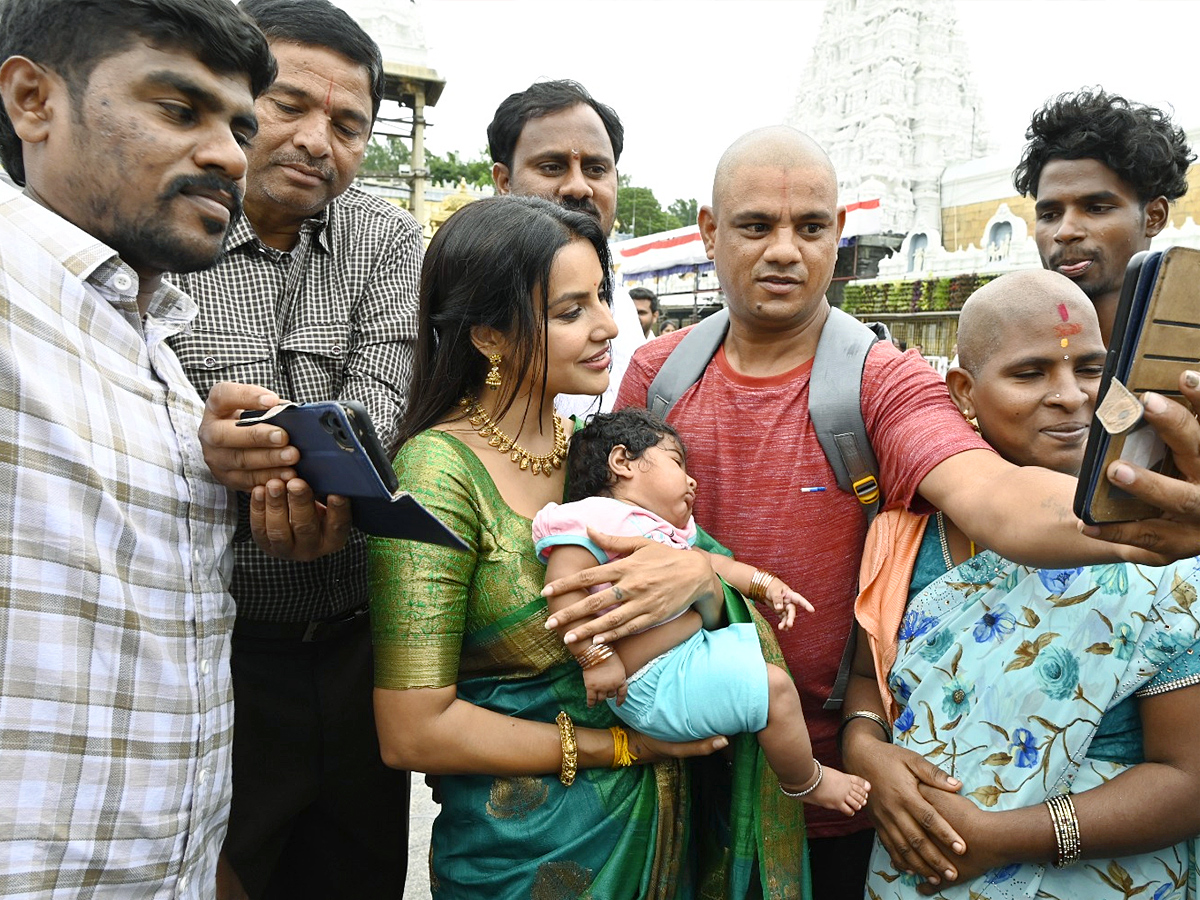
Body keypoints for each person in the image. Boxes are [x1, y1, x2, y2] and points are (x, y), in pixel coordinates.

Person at [543, 126, 1200, 899]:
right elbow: (607, 526)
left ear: (839, 237)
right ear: (712, 231)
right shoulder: (657, 374)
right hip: (685, 765)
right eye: (756, 227)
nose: (785, 251)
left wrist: (1126, 516)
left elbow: (997, 497)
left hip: (837, 797)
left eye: (811, 228)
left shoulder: (883, 383)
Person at [369, 194, 817, 898]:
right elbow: (413, 729)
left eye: (601, 298)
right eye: (570, 311)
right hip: (525, 852)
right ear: (489, 336)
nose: (609, 325)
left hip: (660, 829)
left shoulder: (593, 456)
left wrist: (701, 579)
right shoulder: (436, 474)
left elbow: (703, 572)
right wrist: (623, 746)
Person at [0, 0, 275, 895]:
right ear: (33, 100)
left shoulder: (158, 347)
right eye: (178, 109)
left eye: (238, 126)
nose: (232, 156)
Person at [165, 1, 420, 896]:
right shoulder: (171, 224)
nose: (319, 140)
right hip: (212, 657)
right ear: (238, 101)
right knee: (218, 873)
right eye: (290, 105)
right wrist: (194, 444)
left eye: (349, 124)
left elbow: (385, 407)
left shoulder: (387, 238)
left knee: (355, 876)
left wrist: (293, 466)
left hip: (356, 650)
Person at [847, 269, 1200, 898]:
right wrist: (864, 747)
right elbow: (867, 680)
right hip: (916, 867)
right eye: (1030, 373)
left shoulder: (1166, 540)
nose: (1070, 395)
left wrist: (1005, 835)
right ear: (962, 392)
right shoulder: (906, 531)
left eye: (1090, 368)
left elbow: (1188, 778)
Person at [533, 407, 869, 815]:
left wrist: (766, 585)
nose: (692, 480)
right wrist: (595, 657)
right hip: (649, 681)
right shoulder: (590, 518)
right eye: (676, 462)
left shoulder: (665, 531)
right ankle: (804, 781)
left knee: (768, 676)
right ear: (622, 462)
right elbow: (565, 587)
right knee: (776, 689)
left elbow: (714, 565)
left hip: (680, 663)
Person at [488, 79, 645, 419]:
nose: (578, 187)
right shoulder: (470, 300)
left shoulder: (625, 312)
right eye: (553, 167)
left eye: (595, 169)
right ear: (503, 181)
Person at [1015, 88, 1194, 345]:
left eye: (1096, 208)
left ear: (1154, 217)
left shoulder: (1185, 353)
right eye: (1050, 214)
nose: (1065, 231)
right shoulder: (1006, 354)